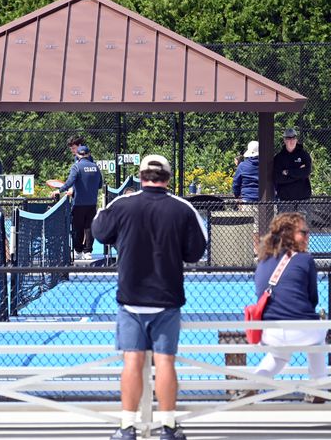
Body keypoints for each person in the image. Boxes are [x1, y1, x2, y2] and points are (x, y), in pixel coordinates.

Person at [92, 154, 207, 440]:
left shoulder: (123, 205)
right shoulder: (183, 209)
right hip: (167, 298)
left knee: (132, 361)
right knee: (165, 361)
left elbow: (99, 231)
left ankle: (127, 426)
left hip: (131, 300)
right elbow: (196, 252)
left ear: (141, 177)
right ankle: (168, 426)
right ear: (167, 178)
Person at [234, 212, 327, 403]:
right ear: (289, 234)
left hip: (270, 331)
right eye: (304, 232)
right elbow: (313, 298)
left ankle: (253, 385)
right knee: (317, 341)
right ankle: (318, 388)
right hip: (302, 330)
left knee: (279, 356)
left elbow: (260, 292)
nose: (308, 236)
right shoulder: (304, 259)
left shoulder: (263, 260)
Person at [59, 145, 103, 260]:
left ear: (78, 155)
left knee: (77, 228)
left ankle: (78, 251)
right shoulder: (95, 167)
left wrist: (59, 190)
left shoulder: (76, 167)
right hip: (92, 203)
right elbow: (99, 185)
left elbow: (69, 182)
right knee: (89, 227)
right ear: (88, 154)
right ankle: (88, 251)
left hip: (78, 203)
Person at [273, 128, 312, 215]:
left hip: (303, 198)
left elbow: (306, 172)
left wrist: (287, 172)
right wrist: (298, 173)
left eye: (293, 138)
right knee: (285, 226)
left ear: (296, 140)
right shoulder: (279, 158)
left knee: (301, 227)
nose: (291, 141)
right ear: (284, 140)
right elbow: (278, 178)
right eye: (288, 138)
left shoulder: (304, 155)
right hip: (285, 199)